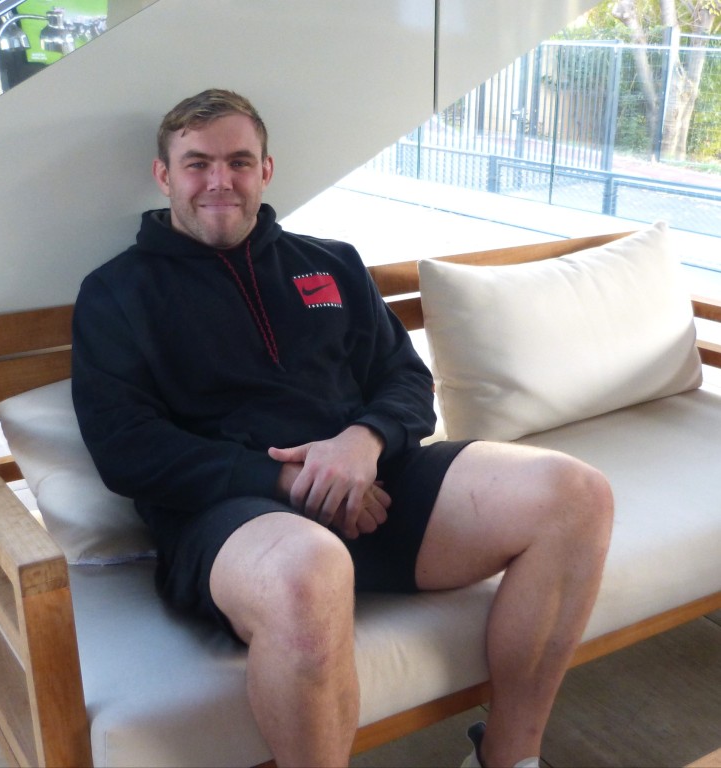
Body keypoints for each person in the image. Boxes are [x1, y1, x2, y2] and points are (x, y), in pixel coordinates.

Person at [71, 89, 614, 768]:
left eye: (239, 162)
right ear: (164, 175)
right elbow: (126, 447)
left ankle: (507, 758)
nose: (219, 181)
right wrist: (290, 479)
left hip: (376, 487)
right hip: (231, 521)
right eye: (197, 164)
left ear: (266, 170)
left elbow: (406, 380)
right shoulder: (116, 293)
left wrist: (363, 444)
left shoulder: (329, 263)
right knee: (307, 568)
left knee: (575, 493)